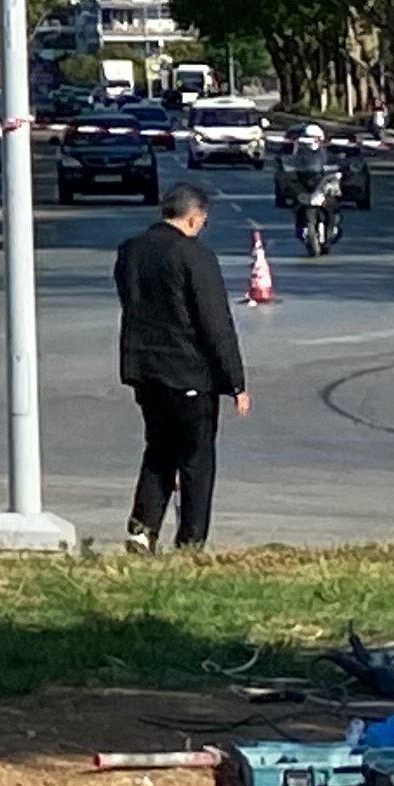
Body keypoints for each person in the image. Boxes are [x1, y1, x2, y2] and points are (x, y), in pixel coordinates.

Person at [114, 181, 248, 552]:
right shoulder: (195, 256)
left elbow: (131, 303)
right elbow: (215, 322)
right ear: (194, 217)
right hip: (189, 373)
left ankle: (141, 530)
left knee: (158, 449)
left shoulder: (131, 251)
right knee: (195, 458)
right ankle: (190, 540)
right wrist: (235, 382)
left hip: (144, 369)